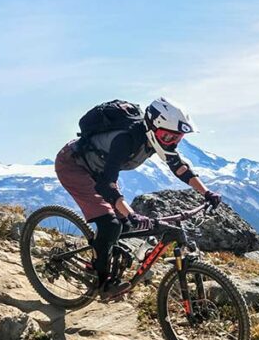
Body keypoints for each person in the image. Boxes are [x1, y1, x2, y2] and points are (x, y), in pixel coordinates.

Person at [54, 97, 221, 299]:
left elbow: (180, 167)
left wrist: (207, 193)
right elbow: (107, 184)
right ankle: (101, 281)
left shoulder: (155, 139)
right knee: (111, 223)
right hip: (74, 166)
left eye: (177, 139)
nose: (172, 143)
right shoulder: (126, 139)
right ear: (152, 127)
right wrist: (130, 213)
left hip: (98, 169)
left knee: (122, 222)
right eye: (168, 137)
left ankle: (107, 257)